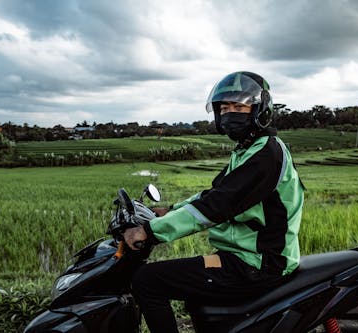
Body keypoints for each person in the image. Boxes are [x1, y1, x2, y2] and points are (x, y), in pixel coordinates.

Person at [124, 71, 305, 333]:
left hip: (257, 264)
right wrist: (169, 210)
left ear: (259, 109)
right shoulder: (250, 148)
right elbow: (214, 193)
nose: (231, 113)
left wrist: (150, 231)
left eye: (239, 106)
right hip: (244, 258)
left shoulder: (266, 154)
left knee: (147, 280)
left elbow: (217, 205)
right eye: (225, 107)